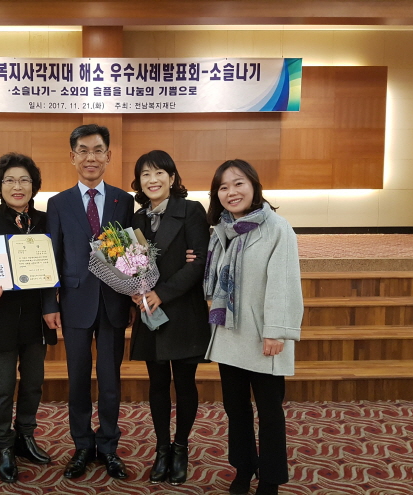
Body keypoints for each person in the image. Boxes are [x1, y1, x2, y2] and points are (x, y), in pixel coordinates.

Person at [203, 159, 303, 495]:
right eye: (223, 187)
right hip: (231, 334)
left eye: (238, 183)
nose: (231, 192)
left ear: (254, 186)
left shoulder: (277, 228)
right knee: (236, 410)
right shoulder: (222, 231)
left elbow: (284, 282)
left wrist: (276, 330)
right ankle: (244, 468)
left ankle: (270, 478)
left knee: (270, 412)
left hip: (264, 336)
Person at [46, 123, 136, 480]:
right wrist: (49, 304)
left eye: (98, 150)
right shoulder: (58, 203)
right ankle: (82, 445)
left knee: (111, 381)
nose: (91, 157)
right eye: (83, 151)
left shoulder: (123, 201)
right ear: (72, 157)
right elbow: (52, 256)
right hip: (74, 303)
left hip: (114, 303)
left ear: (108, 156)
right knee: (79, 379)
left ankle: (109, 446)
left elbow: (132, 254)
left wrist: (132, 298)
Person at [0, 153, 59, 483]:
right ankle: (4, 445)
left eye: (24, 180)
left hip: (36, 319)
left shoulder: (47, 222)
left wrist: (52, 304)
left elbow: (57, 267)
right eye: (9, 180)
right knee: (2, 387)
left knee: (34, 383)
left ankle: (25, 436)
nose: (17, 186)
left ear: (34, 186)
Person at [128, 150, 211, 486]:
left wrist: (161, 292)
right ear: (139, 182)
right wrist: (134, 290)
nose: (153, 180)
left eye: (160, 172)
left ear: (172, 178)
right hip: (151, 314)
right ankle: (162, 448)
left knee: (185, 384)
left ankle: (181, 448)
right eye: (145, 174)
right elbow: (130, 265)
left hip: (182, 310)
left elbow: (199, 260)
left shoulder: (191, 210)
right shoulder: (136, 219)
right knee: (158, 384)